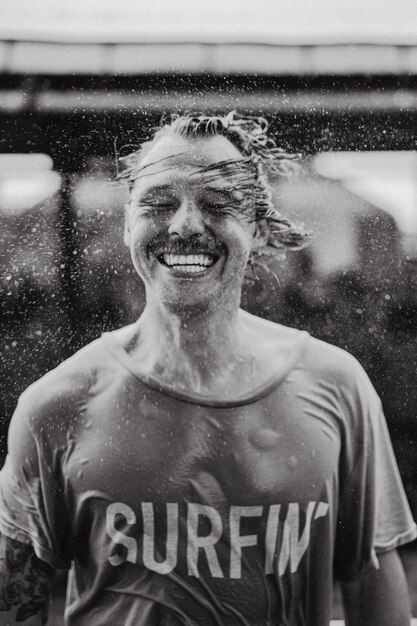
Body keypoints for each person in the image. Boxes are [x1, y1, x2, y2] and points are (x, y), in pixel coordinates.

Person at [0, 111, 416, 626]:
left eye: (217, 205)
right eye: (158, 203)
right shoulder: (57, 404)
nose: (185, 225)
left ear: (259, 230)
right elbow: (17, 605)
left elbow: (372, 585)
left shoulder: (336, 385)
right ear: (129, 222)